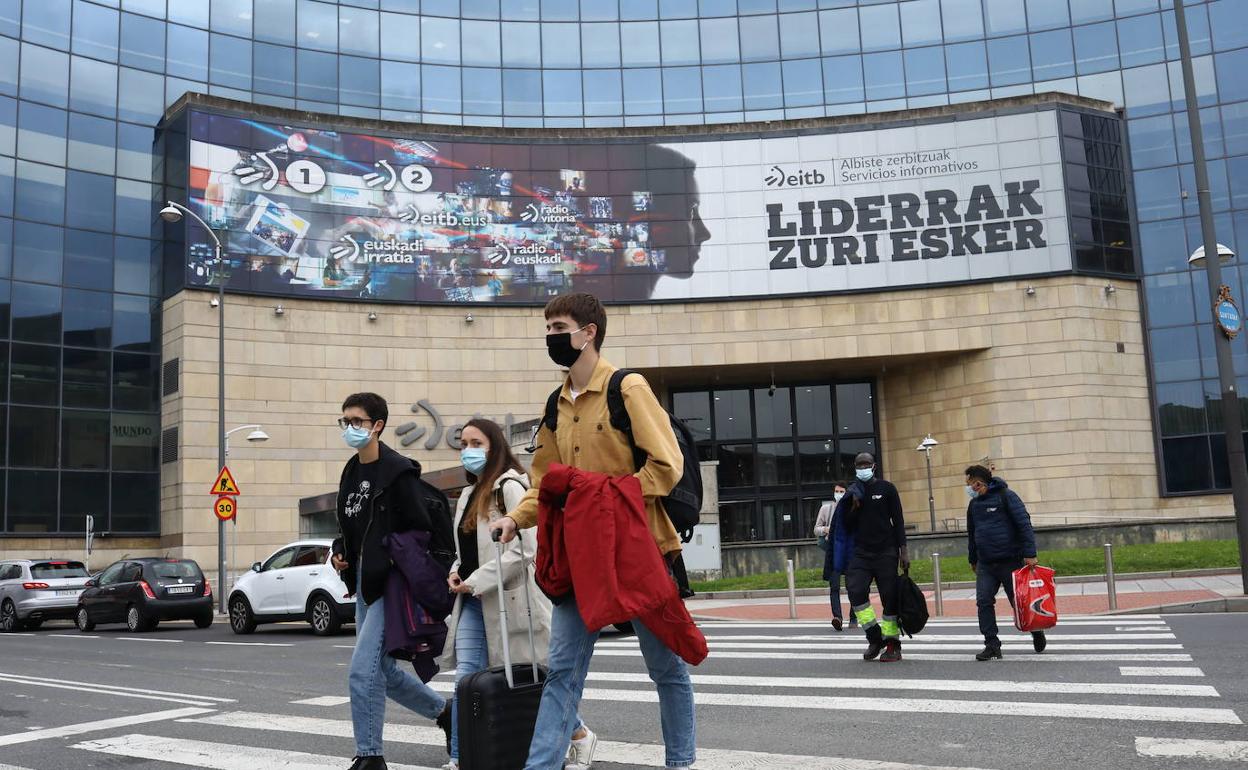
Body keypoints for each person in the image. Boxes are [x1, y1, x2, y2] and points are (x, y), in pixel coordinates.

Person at [490, 292, 697, 770]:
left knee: (665, 668)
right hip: (580, 556)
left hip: (637, 551)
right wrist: (515, 518)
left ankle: (680, 763)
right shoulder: (556, 404)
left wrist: (604, 497)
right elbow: (545, 482)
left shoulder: (628, 388)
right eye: (547, 329)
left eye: (559, 328)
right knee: (562, 671)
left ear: (589, 333)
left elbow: (667, 466)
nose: (551, 337)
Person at [441, 418, 597, 770]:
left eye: (476, 444)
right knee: (467, 677)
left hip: (508, 599)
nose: (468, 451)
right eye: (463, 445)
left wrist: (476, 580)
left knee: (526, 678)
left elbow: (526, 548)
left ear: (494, 447)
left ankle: (578, 732)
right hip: (471, 599)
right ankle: (461, 756)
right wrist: (455, 570)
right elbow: (465, 549)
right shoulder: (466, 494)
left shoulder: (510, 487)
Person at [331, 393, 456, 770]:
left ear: (378, 426)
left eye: (357, 421)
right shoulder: (351, 470)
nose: (349, 428)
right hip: (363, 585)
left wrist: (386, 556)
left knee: (362, 670)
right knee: (382, 670)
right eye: (345, 421)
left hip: (391, 584)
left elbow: (420, 528)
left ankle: (370, 756)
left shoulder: (397, 472)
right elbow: (351, 526)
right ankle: (446, 713)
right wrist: (340, 550)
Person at [965, 464, 1047, 661]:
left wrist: (1030, 553)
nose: (968, 488)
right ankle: (992, 644)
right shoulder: (973, 505)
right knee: (983, 601)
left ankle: (1036, 630)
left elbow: (1024, 524)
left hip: (1010, 561)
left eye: (969, 483)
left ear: (978, 483)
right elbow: (972, 534)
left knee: (1018, 603)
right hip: (986, 564)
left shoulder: (1006, 496)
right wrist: (973, 559)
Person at [840, 453, 908, 663]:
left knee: (890, 597)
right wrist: (853, 507)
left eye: (866, 464)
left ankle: (892, 644)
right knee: (855, 591)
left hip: (886, 551)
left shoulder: (887, 488)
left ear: (874, 466)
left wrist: (903, 551)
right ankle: (874, 637)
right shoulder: (853, 492)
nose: (863, 468)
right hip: (861, 552)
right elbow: (846, 525)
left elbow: (898, 521)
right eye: (859, 465)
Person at [816, 482, 852, 631]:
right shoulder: (826, 509)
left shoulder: (852, 507)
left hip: (849, 553)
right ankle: (838, 617)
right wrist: (827, 529)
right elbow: (816, 529)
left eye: (842, 491)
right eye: (837, 491)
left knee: (853, 586)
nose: (839, 494)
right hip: (834, 552)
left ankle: (854, 617)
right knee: (834, 586)